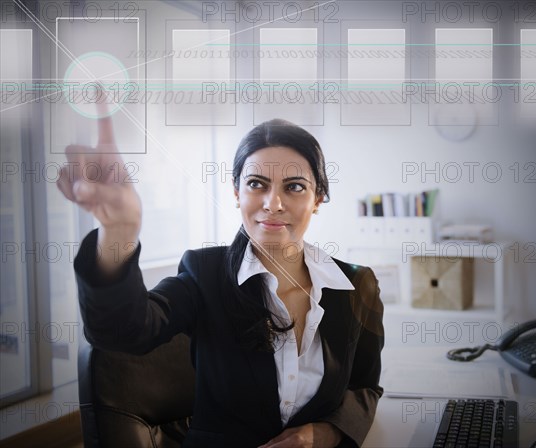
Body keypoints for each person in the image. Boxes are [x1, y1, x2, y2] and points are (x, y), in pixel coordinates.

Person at [58, 99, 384, 447]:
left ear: (318, 198)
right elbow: (123, 332)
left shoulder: (355, 285)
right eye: (257, 184)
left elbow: (364, 386)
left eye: (294, 187)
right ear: (236, 193)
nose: (273, 203)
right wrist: (119, 232)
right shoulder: (204, 274)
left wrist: (327, 433)